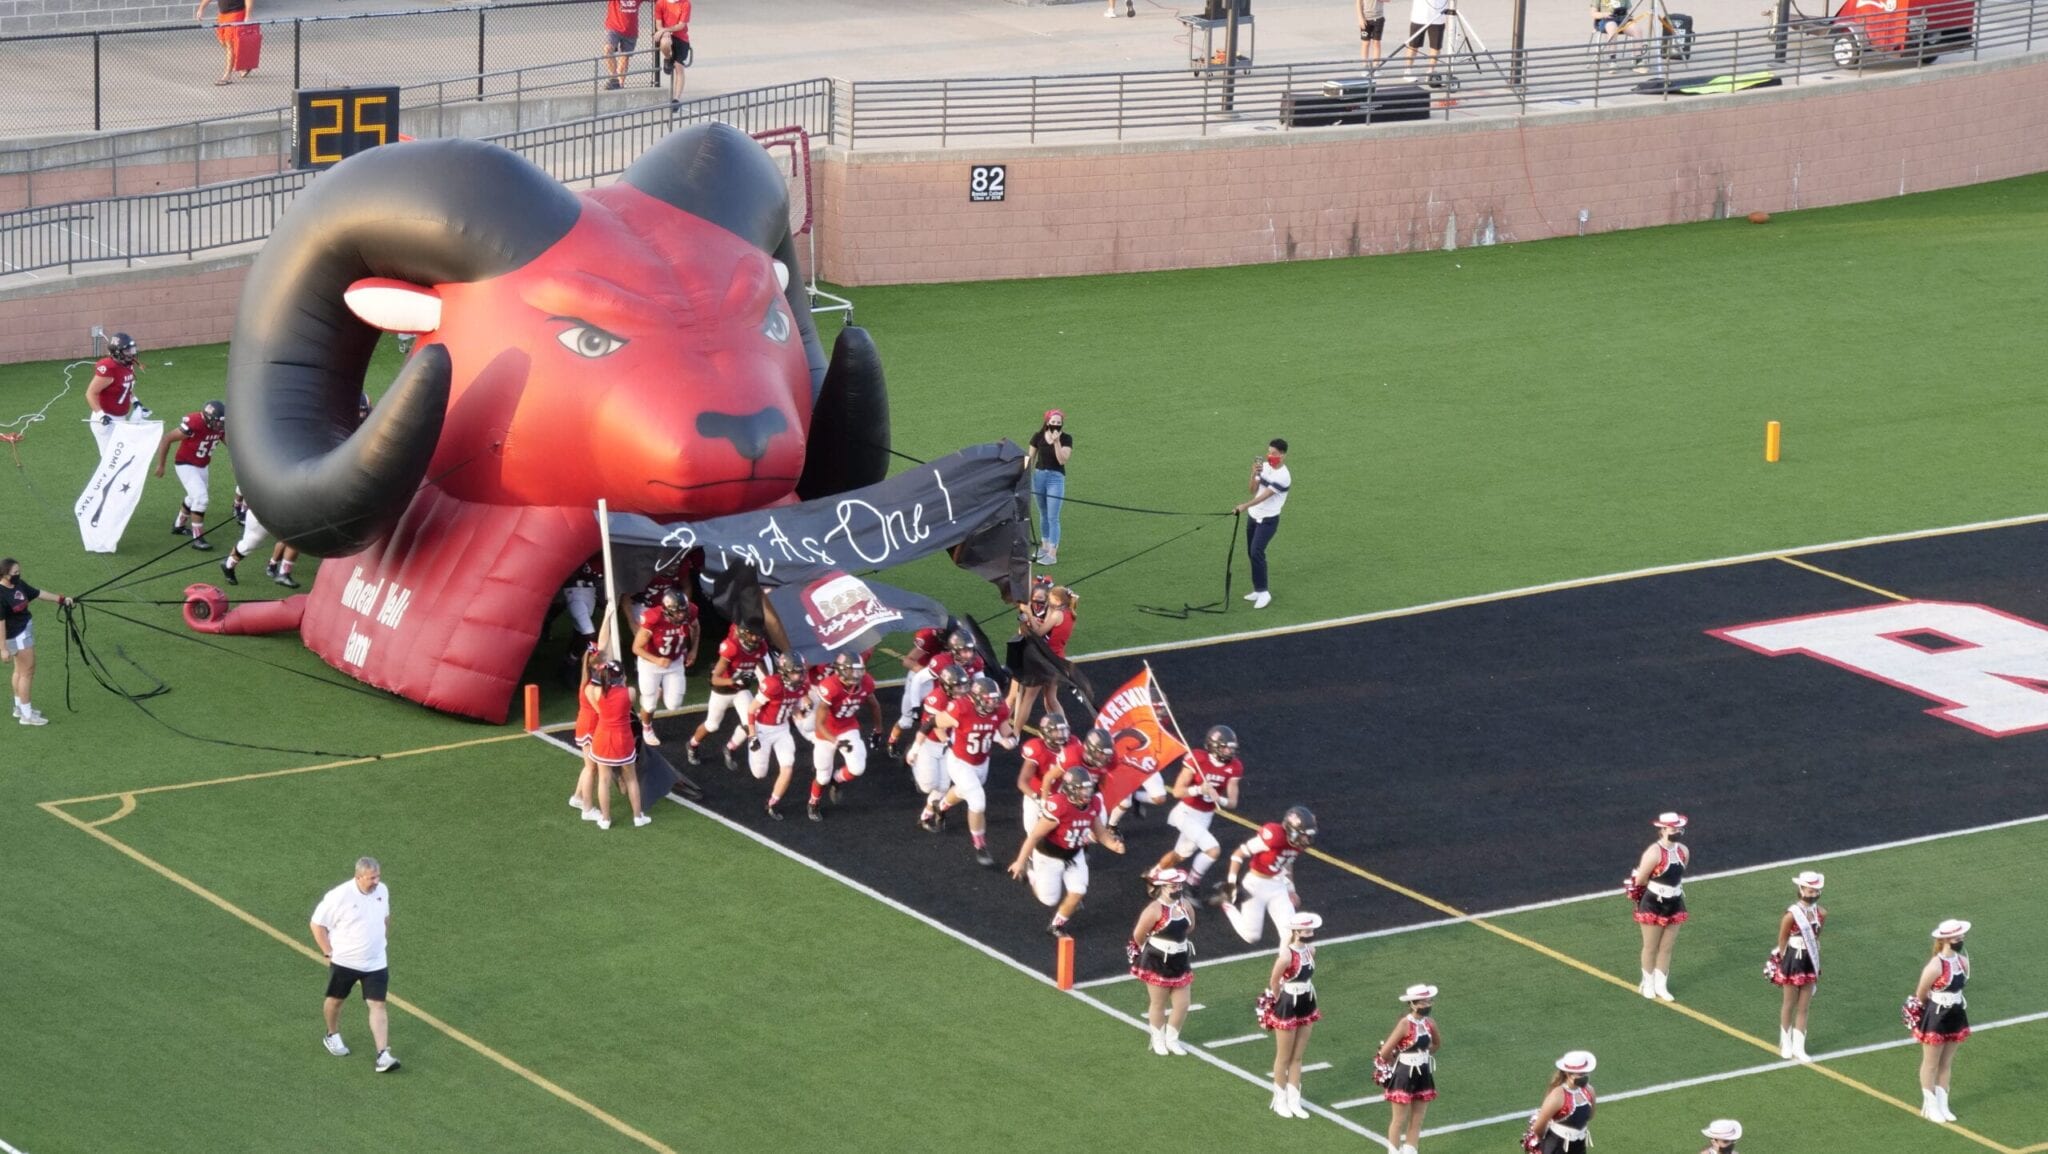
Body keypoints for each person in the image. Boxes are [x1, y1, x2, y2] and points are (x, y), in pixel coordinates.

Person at [1009, 766, 1126, 939]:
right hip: (1049, 856)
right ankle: (1031, 872)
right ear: (1071, 790)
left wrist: (1112, 845)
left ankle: (1056, 924)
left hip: (1074, 854)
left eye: (1088, 789)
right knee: (1048, 900)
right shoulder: (1059, 806)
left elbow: (1099, 831)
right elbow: (1034, 836)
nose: (1087, 793)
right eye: (1082, 789)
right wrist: (1020, 861)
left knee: (1078, 891)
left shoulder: (1093, 803)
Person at [309, 856, 399, 1073]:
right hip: (346, 961)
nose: (376, 881)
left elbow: (385, 918)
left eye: (378, 876)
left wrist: (382, 941)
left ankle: (382, 1054)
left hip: (376, 962)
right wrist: (328, 952)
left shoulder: (382, 891)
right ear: (358, 877)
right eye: (371, 878)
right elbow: (317, 924)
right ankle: (332, 1034)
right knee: (336, 1001)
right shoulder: (339, 896)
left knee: (378, 1004)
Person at [925, 674, 1019, 866]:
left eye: (995, 699)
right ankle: (980, 845)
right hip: (959, 761)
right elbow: (936, 722)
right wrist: (945, 741)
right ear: (976, 698)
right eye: (988, 699)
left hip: (982, 761)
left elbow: (1004, 729)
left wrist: (1010, 739)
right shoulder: (961, 708)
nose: (993, 703)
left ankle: (941, 807)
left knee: (962, 791)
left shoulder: (999, 709)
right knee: (977, 801)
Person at [1154, 724, 1244, 886]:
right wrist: (1198, 789)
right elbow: (1177, 792)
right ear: (1214, 746)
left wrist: (1219, 799)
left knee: (1180, 855)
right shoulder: (1197, 759)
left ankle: (1154, 874)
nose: (1230, 752)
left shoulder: (1234, 767)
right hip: (1186, 812)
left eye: (1231, 749)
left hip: (1205, 816)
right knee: (1213, 850)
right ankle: (1191, 885)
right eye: (1226, 748)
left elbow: (1232, 803)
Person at [1214, 805, 1316, 944]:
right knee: (1252, 937)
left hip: (1278, 886)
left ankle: (1287, 964)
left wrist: (1291, 890)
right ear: (1292, 831)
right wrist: (1231, 884)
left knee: (1290, 935)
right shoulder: (1274, 836)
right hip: (1256, 885)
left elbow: (1287, 862)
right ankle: (1226, 904)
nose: (1306, 840)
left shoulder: (1296, 844)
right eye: (1304, 835)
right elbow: (1238, 854)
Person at [1258, 911, 1322, 1119]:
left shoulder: (1311, 950)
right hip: (1288, 1002)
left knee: (1297, 1056)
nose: (1310, 933)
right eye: (1306, 930)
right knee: (1284, 1056)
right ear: (1295, 932)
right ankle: (1279, 1099)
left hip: (1307, 1000)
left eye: (1311, 930)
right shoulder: (1286, 955)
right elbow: (1274, 981)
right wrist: (1278, 1001)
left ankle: (1295, 1100)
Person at [1129, 868, 1198, 1057]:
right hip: (1158, 960)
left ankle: (1172, 1039)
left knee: (1183, 1003)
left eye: (1179, 885)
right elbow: (1138, 935)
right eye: (1173, 886)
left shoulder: (1185, 905)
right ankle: (1158, 1039)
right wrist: (1156, 948)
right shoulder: (1154, 910)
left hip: (1180, 958)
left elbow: (1190, 926)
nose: (1178, 888)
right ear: (1163, 887)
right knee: (1158, 1003)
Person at [1909, 918, 1971, 1122]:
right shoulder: (1936, 965)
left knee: (1946, 1062)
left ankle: (1943, 1104)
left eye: (1961, 936)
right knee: (1931, 1063)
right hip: (1937, 1015)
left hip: (1956, 1013)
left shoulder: (1963, 961)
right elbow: (1921, 993)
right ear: (1945, 939)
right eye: (1957, 937)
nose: (1961, 939)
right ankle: (1930, 1104)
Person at [808, 651, 882, 821]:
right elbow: (819, 723)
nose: (855, 675)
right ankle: (813, 802)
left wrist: (878, 730)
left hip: (848, 727)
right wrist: (836, 742)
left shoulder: (866, 682)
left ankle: (837, 779)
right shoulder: (830, 686)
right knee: (822, 776)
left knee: (857, 768)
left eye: (858, 671)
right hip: (826, 733)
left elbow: (875, 706)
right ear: (841, 670)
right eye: (851, 671)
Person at [1624, 811, 1688, 1002]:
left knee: (1667, 946)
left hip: (1675, 901)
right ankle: (1647, 983)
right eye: (1673, 828)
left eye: (1679, 827)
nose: (1677, 830)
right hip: (1654, 902)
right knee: (1651, 946)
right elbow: (1641, 879)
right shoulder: (1653, 852)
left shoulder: (1683, 850)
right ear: (1662, 830)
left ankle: (1661, 985)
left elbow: (1679, 874)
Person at [2, 559, 74, 727]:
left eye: (18, 571)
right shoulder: (1, 594)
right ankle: (27, 716)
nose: (18, 575)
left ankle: (19, 708)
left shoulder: (18, 585)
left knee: (19, 671)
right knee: (27, 672)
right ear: (4, 574)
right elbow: (0, 623)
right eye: (14, 573)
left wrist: (61, 599)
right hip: (17, 637)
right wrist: (2, 648)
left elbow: (38, 593)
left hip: (23, 632)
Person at [687, 621, 767, 768]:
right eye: (753, 635)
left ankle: (730, 748)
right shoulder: (731, 647)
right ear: (744, 634)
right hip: (722, 690)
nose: (756, 639)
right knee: (712, 725)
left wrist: (767, 681)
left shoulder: (761, 647)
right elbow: (715, 679)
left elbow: (760, 662)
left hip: (741, 690)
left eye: (758, 635)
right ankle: (692, 744)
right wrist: (734, 680)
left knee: (750, 723)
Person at [1767, 870, 1826, 1060]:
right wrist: (1783, 961)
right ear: (1800, 889)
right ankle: (1786, 1042)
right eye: (1809, 891)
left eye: (1815, 891)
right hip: (1793, 959)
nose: (1812, 894)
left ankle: (1799, 1047)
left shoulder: (1822, 913)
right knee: (1789, 1003)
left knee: (1804, 1006)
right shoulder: (1791, 915)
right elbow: (1782, 939)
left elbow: (1817, 937)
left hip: (1809, 960)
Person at [1375, 983, 1440, 1154]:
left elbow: (1436, 1044)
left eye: (1429, 1001)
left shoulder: (1430, 1023)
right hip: (1404, 1074)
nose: (1428, 1005)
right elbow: (1385, 1051)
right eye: (1423, 1002)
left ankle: (1411, 1150)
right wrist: (1397, 1061)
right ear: (1413, 1004)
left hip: (1423, 1072)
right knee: (1399, 1120)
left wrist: (1423, 1055)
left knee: (1417, 1119)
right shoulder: (1404, 1024)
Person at [153, 400, 226, 550]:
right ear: (207, 417)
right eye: (217, 422)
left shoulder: (218, 426)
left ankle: (178, 525)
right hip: (185, 464)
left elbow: (230, 442)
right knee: (201, 498)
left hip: (202, 465)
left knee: (194, 497)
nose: (219, 425)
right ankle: (197, 538)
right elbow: (167, 438)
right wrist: (161, 464)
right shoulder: (194, 423)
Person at [586, 659, 648, 830]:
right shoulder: (630, 692)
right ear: (622, 676)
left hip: (602, 738)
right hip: (623, 739)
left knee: (603, 780)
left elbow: (589, 688)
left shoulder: (597, 692)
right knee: (631, 779)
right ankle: (637, 817)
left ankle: (605, 819)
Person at [632, 589, 699, 746]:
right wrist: (656, 660)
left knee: (674, 704)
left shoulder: (691, 611)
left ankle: (659, 691)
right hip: (650, 663)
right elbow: (636, 648)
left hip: (675, 661)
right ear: (667, 610)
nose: (682, 616)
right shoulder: (653, 618)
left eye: (684, 611)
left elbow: (696, 627)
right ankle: (647, 727)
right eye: (678, 612)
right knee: (649, 702)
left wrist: (693, 650)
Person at [748, 653, 808, 821]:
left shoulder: (800, 686)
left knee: (788, 767)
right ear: (784, 671)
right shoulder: (772, 685)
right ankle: (741, 732)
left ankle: (772, 803)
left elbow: (793, 707)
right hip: (763, 729)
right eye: (795, 672)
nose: (799, 676)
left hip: (782, 729)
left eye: (801, 672)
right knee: (759, 773)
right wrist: (752, 735)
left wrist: (802, 714)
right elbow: (752, 709)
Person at [1233, 438, 1289, 610]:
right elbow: (1252, 490)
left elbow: (1264, 497)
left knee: (1257, 551)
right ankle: (1258, 589)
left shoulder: (1283, 476)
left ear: (1283, 455)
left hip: (1268, 520)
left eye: (1274, 453)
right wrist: (1253, 474)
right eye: (1269, 452)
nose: (1270, 456)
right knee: (1252, 552)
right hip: (1253, 516)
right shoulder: (1263, 467)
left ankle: (1264, 592)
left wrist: (1244, 506)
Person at [910, 664, 968, 827]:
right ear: (946, 686)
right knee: (928, 786)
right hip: (930, 742)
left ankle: (925, 817)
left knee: (943, 786)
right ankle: (914, 763)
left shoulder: (963, 699)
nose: (962, 690)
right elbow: (936, 726)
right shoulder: (935, 699)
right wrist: (950, 743)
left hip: (948, 744)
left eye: (963, 685)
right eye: (957, 687)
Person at [1015, 711, 1083, 832]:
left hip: (1063, 796)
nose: (1062, 735)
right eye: (1057, 732)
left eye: (1064, 730)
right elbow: (1022, 782)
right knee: (1033, 834)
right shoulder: (1037, 749)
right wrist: (1038, 798)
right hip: (1038, 796)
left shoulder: (1073, 744)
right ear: (1046, 733)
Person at [84, 332, 147, 457]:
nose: (132, 353)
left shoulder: (127, 365)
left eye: (132, 350)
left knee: (125, 456)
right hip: (106, 421)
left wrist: (136, 401)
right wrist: (102, 415)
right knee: (111, 460)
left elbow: (125, 386)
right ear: (118, 352)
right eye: (128, 351)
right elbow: (90, 393)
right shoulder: (109, 368)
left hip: (120, 419)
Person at [884, 627, 945, 756]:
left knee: (942, 712)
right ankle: (892, 741)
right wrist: (927, 672)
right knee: (906, 720)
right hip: (921, 677)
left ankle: (942, 743)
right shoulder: (928, 636)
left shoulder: (956, 639)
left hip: (939, 678)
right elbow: (907, 661)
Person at [1523, 1051, 1597, 1152]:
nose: (1585, 1076)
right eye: (1581, 1073)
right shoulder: (1557, 1096)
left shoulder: (1589, 1090)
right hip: (1556, 1147)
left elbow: (1590, 1116)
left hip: (1579, 1145)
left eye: (1586, 1072)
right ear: (1568, 1074)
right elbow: (1538, 1128)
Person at [1025, 409, 1073, 565]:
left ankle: (1052, 553)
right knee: (1043, 513)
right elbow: (1030, 459)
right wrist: (1023, 477)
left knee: (1053, 516)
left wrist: (1057, 442)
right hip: (1039, 477)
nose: (1056, 425)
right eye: (1053, 422)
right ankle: (1044, 548)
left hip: (1055, 479)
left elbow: (1062, 460)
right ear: (1047, 422)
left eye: (1059, 423)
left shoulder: (1066, 439)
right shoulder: (1038, 437)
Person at [195, 0, 255, 86]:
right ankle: (243, 66)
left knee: (229, 44)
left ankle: (227, 76)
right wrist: (201, 9)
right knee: (223, 41)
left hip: (236, 14)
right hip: (222, 15)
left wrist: (248, 15)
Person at [652, 0, 691, 106]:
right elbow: (659, 24)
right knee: (665, 42)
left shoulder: (685, 3)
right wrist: (664, 32)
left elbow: (681, 25)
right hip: (666, 35)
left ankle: (676, 99)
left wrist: (665, 30)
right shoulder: (661, 3)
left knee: (679, 66)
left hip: (681, 38)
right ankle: (668, 58)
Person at [601, 0, 643, 90]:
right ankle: (614, 78)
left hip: (630, 30)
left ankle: (620, 84)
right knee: (608, 49)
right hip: (614, 28)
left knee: (624, 58)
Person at [1400, 0, 1447, 80]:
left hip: (1438, 17)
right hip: (1419, 17)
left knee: (1435, 47)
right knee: (1413, 45)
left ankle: (1430, 72)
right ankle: (1408, 71)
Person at [1358, 0, 1387, 66]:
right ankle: (1365, 65)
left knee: (1376, 43)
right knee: (1365, 43)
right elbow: (1358, 2)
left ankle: (1376, 65)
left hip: (1378, 17)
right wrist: (1360, 17)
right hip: (1366, 18)